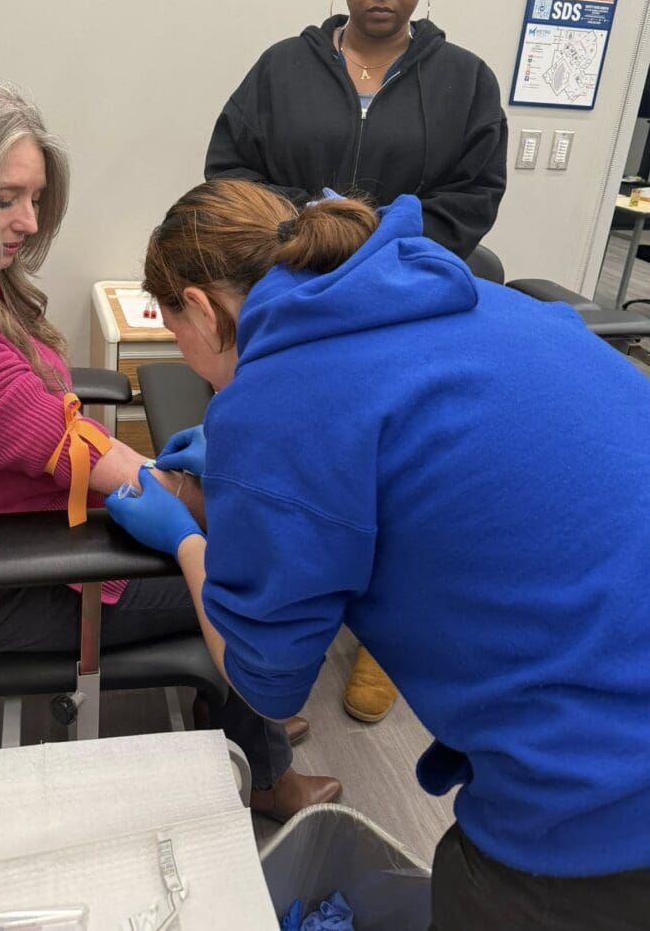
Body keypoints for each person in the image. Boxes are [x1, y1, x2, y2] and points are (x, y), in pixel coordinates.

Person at [106, 179, 650, 930]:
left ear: (200, 306)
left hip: (605, 782)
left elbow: (267, 681)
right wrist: (245, 482)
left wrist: (188, 537)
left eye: (178, 337)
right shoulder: (458, 295)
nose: (189, 362)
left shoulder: (284, 398)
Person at [0, 71, 341, 821]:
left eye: (34, 199)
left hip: (20, 530)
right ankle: (261, 764)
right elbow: (61, 441)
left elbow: (50, 422)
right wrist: (194, 497)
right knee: (249, 570)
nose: (27, 221)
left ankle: (239, 704)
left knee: (222, 523)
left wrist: (185, 483)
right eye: (5, 198)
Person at [205, 0, 509, 723]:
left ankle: (382, 634)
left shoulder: (465, 83)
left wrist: (380, 234)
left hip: (404, 306)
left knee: (401, 471)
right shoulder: (279, 68)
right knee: (303, 462)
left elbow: (474, 198)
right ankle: (283, 622)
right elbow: (230, 171)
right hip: (295, 297)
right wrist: (304, 225)